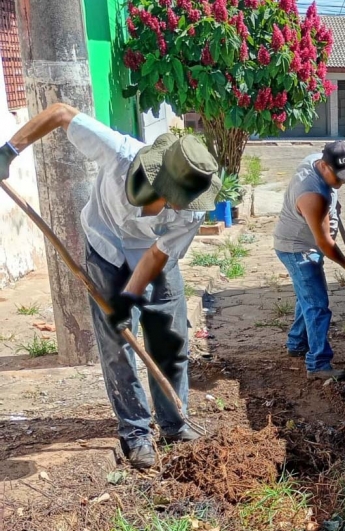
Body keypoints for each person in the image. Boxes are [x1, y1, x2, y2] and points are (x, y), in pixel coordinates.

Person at [0, 103, 220, 469]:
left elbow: (157, 255)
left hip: (154, 257)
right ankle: (135, 432)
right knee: (117, 344)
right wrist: (9, 151)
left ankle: (174, 422)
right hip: (106, 250)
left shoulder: (192, 210)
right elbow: (60, 113)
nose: (181, 207)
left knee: (170, 337)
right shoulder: (119, 152)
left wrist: (129, 296)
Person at [273, 141, 345, 381]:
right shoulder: (313, 195)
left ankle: (297, 342)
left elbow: (330, 192)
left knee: (308, 297)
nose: (343, 182)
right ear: (324, 166)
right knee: (317, 304)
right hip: (298, 249)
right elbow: (325, 243)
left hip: (301, 242)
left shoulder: (316, 160)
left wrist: (334, 203)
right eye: (339, 176)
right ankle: (318, 364)